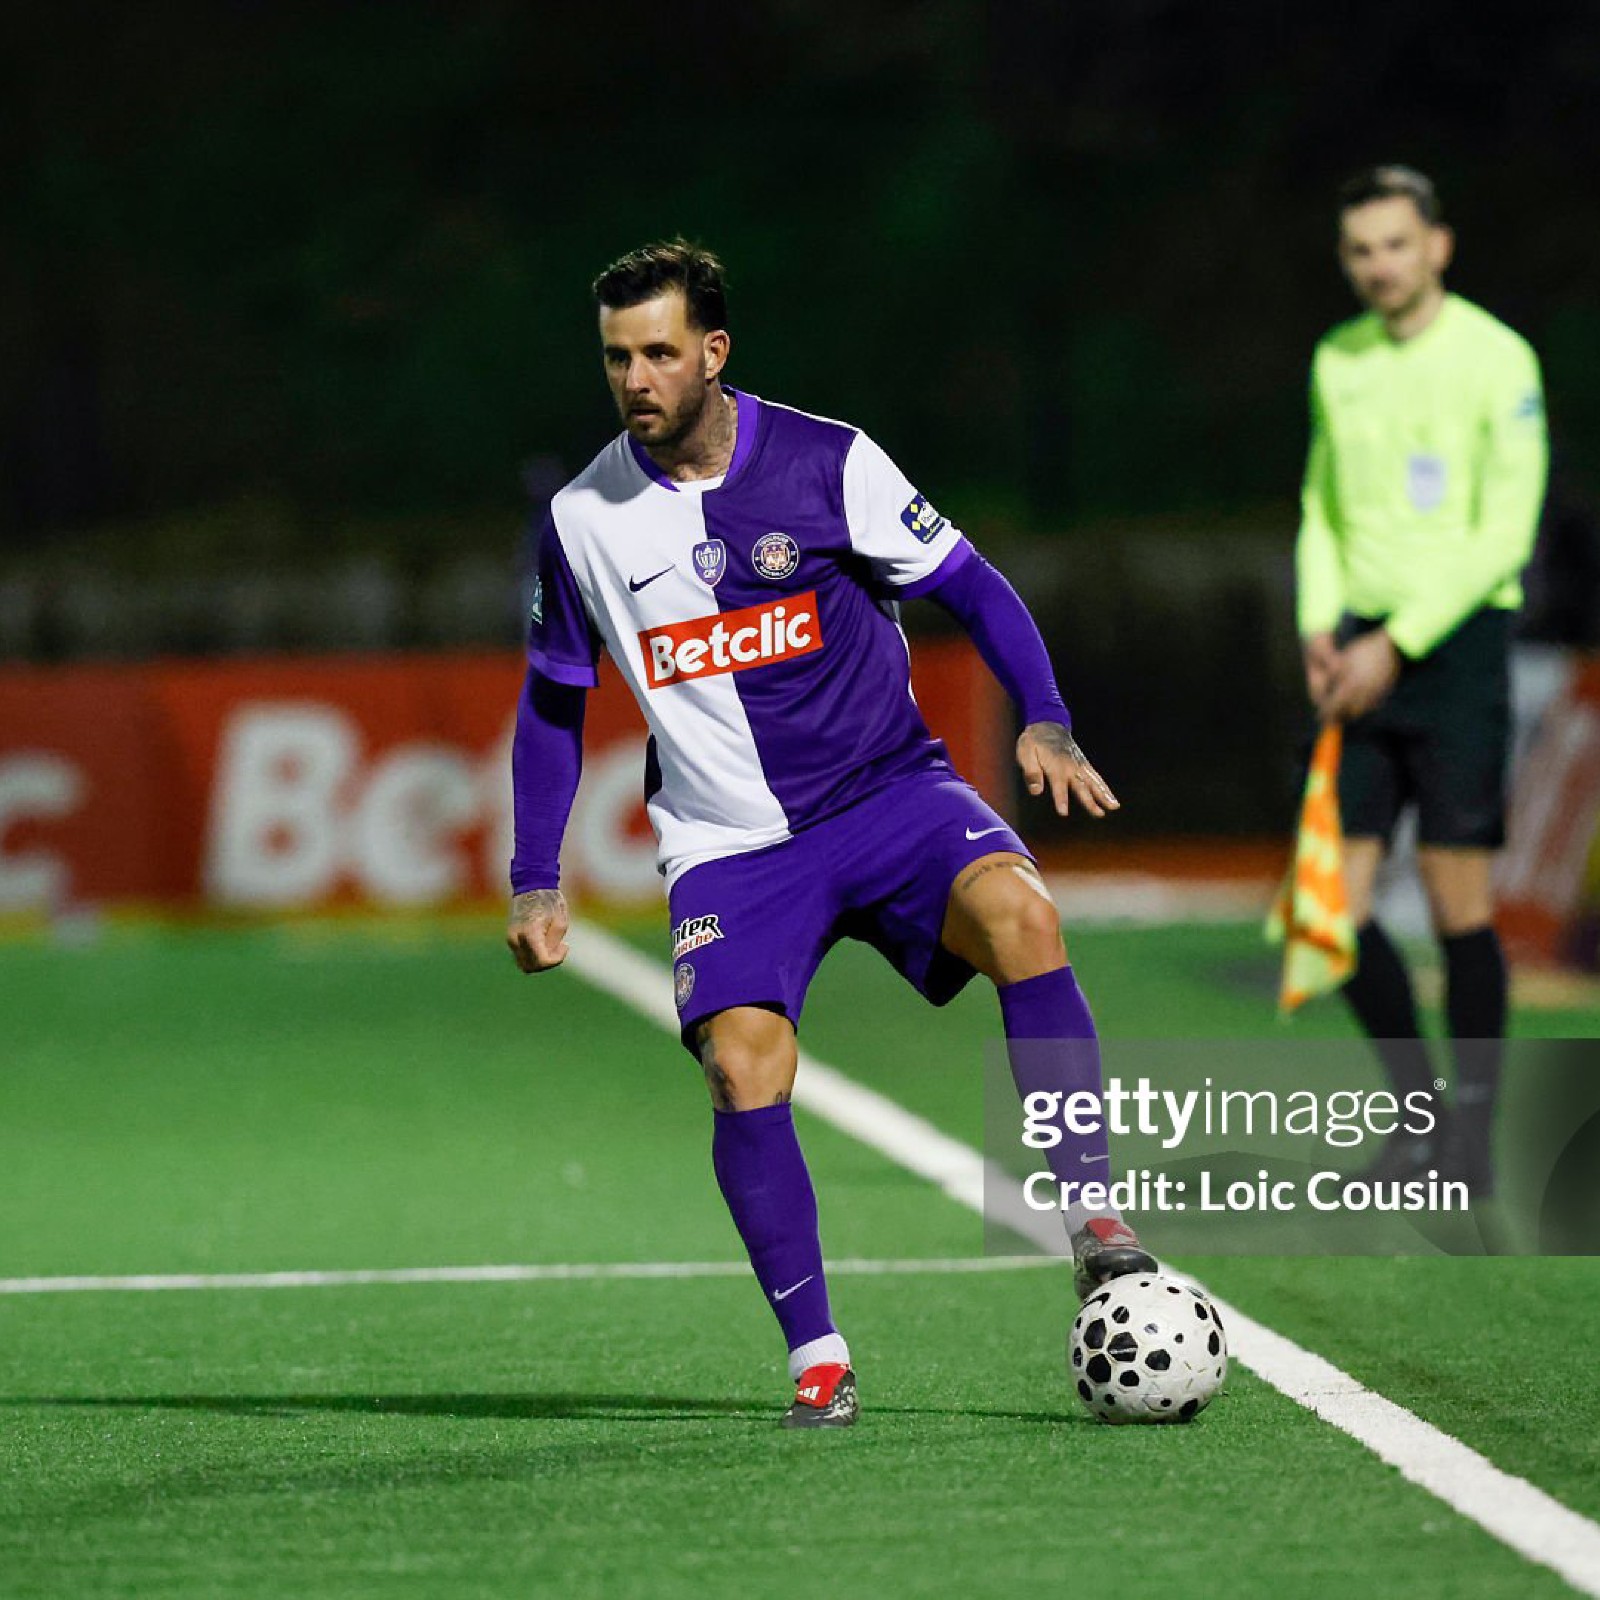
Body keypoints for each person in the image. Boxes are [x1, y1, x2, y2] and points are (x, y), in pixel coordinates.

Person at [505, 239, 1154, 1429]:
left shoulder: (830, 459)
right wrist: (534, 877)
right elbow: (554, 698)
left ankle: (1098, 1223)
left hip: (889, 793)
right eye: (614, 358)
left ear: (713, 352)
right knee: (741, 1063)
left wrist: (1046, 720)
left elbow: (973, 585)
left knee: (1022, 914)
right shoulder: (580, 518)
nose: (634, 378)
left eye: (657, 352)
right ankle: (817, 1352)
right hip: (730, 845)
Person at [1296, 166, 1548, 1195]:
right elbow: (1320, 502)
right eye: (1361, 250)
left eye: (1396, 245)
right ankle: (1420, 1117)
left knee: (1456, 906)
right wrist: (1317, 621)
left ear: (1436, 245)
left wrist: (1397, 642)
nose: (1379, 266)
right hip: (1356, 656)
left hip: (1452, 657)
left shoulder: (1499, 358)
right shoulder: (1337, 358)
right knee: (1337, 917)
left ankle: (1473, 1144)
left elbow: (1504, 532)